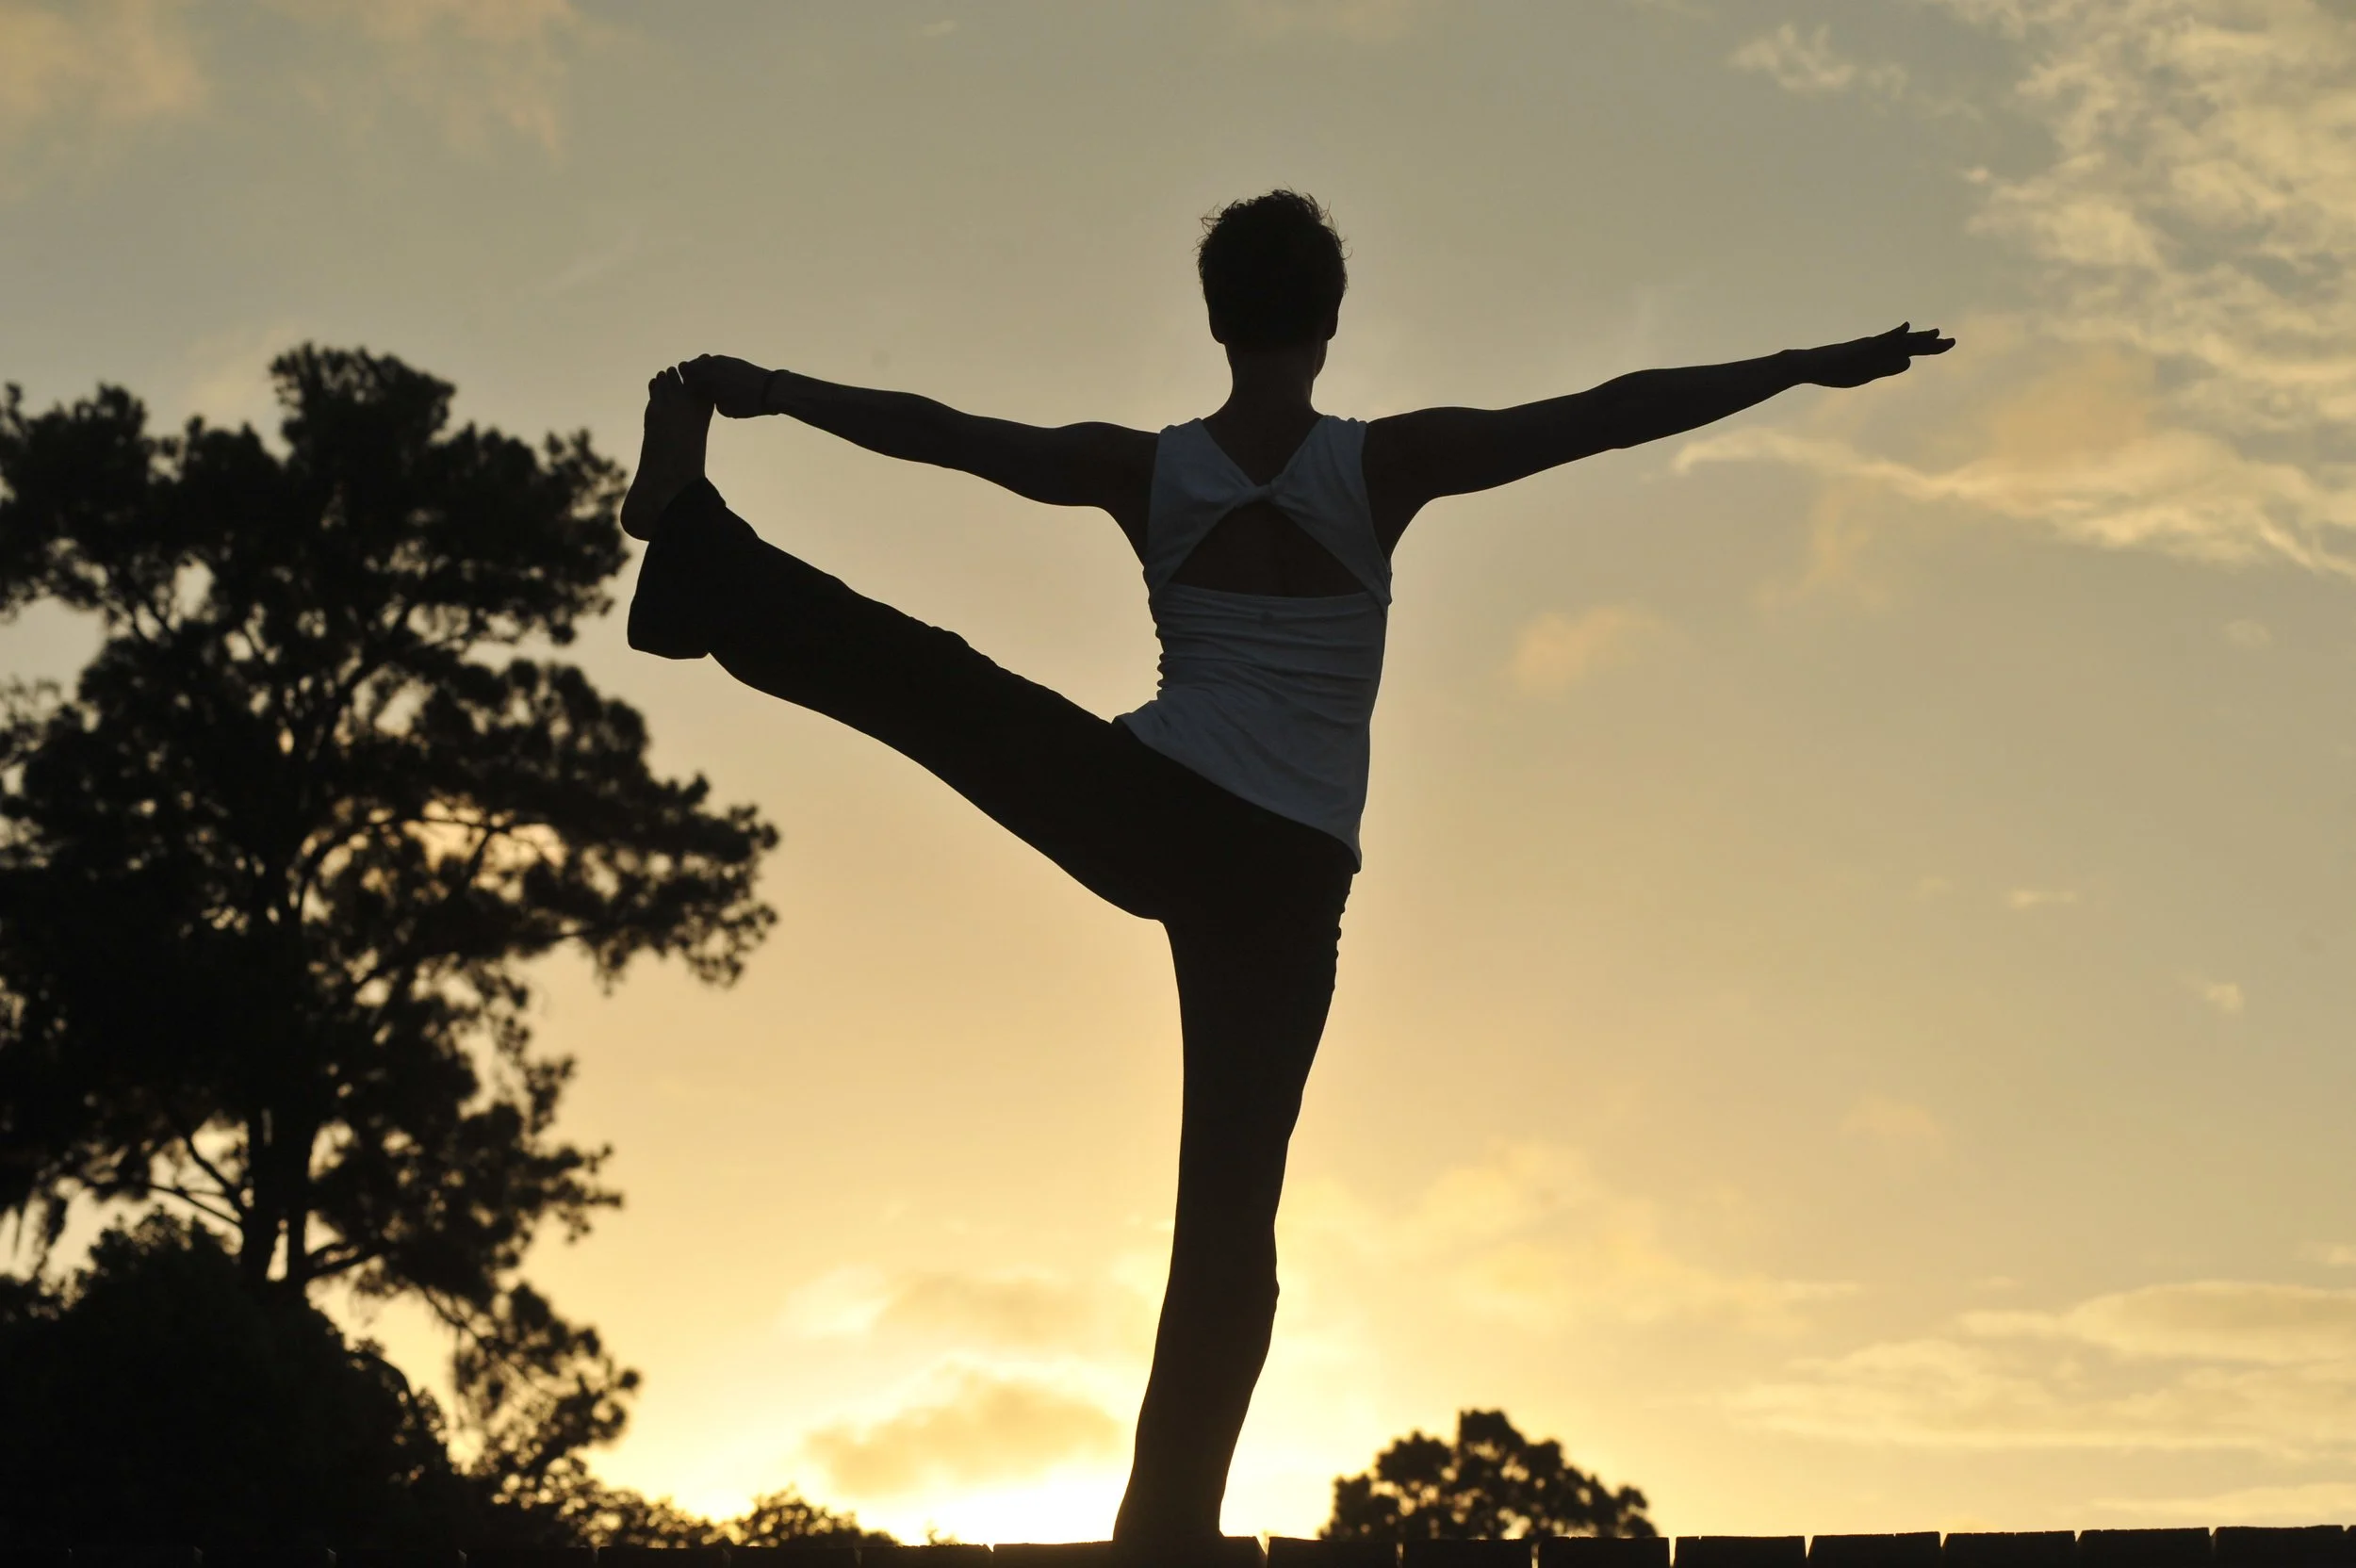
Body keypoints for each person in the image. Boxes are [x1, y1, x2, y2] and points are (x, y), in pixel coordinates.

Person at [619, 189, 1952, 1550]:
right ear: (1327, 323)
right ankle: (1167, 1529)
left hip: (1156, 807)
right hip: (1286, 877)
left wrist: (775, 391)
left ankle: (697, 553)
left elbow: (956, 440)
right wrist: (1794, 369)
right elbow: (1605, 411)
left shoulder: (1151, 471)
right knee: (1229, 1216)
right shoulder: (1380, 470)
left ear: (1215, 318)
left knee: (940, 690)